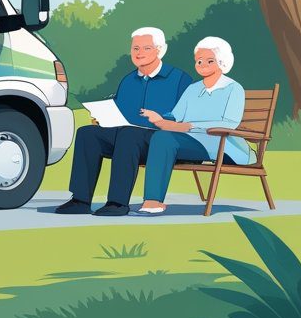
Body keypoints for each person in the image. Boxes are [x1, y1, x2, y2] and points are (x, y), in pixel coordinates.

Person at [54, 26, 191, 217]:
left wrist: (161, 119)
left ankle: (117, 203)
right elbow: (119, 112)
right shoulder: (128, 80)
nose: (139, 53)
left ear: (160, 50)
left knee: (129, 134)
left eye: (146, 48)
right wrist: (103, 119)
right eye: (135, 48)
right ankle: (80, 200)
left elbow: (186, 117)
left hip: (160, 139)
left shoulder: (179, 79)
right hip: (128, 136)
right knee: (87, 133)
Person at [136, 36, 253, 215]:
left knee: (163, 139)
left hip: (222, 146)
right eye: (199, 61)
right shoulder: (192, 89)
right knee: (156, 137)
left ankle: (153, 201)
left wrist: (190, 126)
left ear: (222, 61)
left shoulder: (233, 88)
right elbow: (175, 116)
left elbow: (230, 123)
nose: (202, 64)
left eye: (209, 60)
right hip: (193, 143)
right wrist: (159, 117)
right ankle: (149, 199)